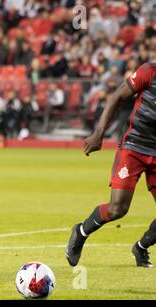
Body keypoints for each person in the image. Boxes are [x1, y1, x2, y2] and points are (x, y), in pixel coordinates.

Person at [66, 62, 156, 268]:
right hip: (134, 146)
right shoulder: (149, 72)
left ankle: (141, 247)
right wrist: (99, 133)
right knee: (118, 209)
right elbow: (117, 96)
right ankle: (81, 232)